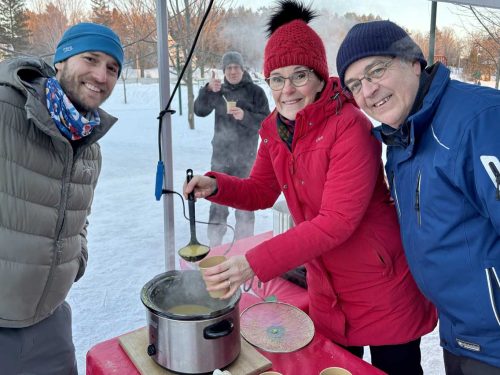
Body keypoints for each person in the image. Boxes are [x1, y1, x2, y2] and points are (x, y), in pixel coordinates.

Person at [185, 2, 437, 374]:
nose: (288, 90)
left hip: (382, 288)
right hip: (327, 289)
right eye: (277, 78)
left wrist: (252, 262)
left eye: (299, 75)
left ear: (320, 77)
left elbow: (336, 221)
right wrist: (216, 185)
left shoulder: (349, 126)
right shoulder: (273, 129)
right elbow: (260, 191)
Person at [336, 20, 500, 375]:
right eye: (354, 85)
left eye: (376, 70)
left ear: (413, 62)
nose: (367, 90)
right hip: (461, 333)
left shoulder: (479, 121)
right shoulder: (402, 138)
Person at [0, 23, 123, 374]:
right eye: (91, 59)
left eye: (112, 68)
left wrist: (74, 259)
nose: (101, 75)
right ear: (62, 60)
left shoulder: (88, 146)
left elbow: (79, 217)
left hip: (50, 324)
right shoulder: (6, 108)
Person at [194, 51, 270, 246]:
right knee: (217, 200)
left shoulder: (256, 92)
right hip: (221, 156)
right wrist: (208, 90)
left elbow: (267, 123)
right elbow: (199, 110)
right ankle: (215, 243)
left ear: (242, 69)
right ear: (224, 71)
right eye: (229, 68)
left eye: (236, 67)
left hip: (246, 157)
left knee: (245, 202)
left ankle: (244, 244)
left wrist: (245, 116)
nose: (233, 71)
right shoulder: (218, 90)